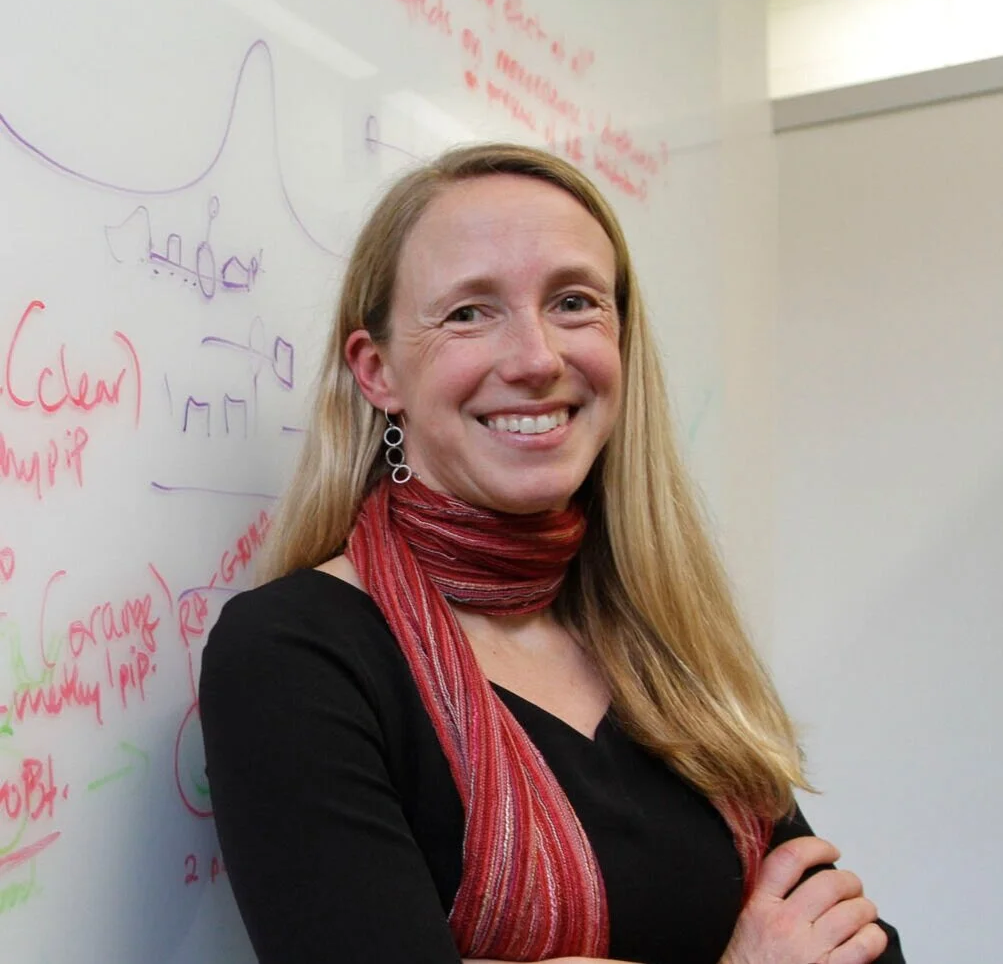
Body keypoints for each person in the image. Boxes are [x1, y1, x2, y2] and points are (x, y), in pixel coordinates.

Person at [198, 143, 906, 964]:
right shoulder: (292, 652)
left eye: (573, 303)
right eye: (469, 312)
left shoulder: (661, 639)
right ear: (377, 370)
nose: (536, 358)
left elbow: (853, 945)